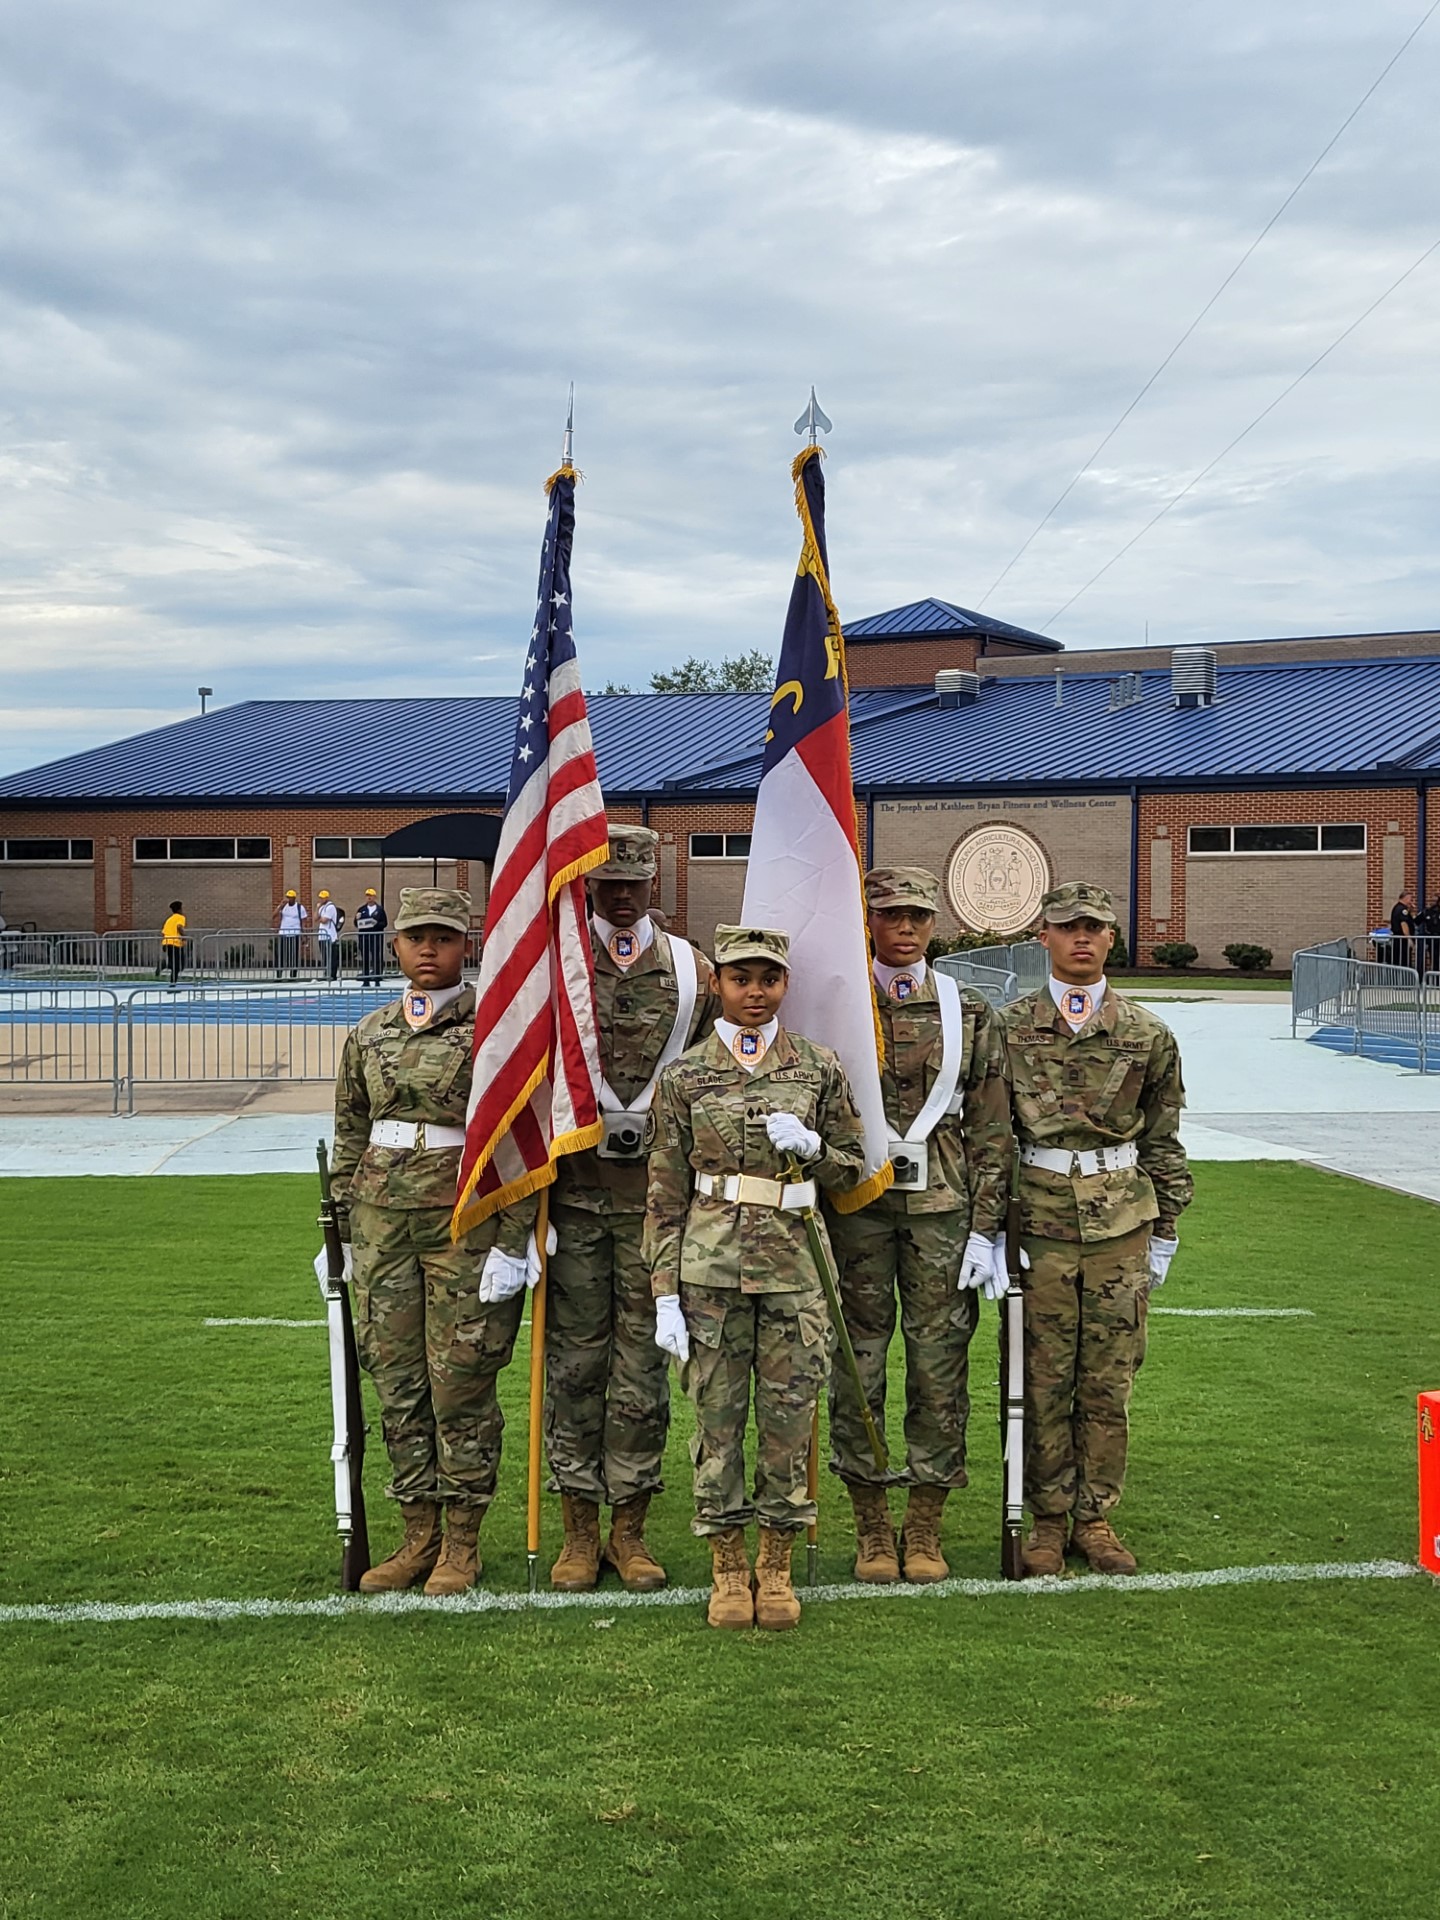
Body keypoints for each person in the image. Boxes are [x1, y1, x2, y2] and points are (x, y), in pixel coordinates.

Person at [646, 925, 867, 1631]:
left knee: (787, 1421)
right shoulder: (684, 1077)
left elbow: (854, 1167)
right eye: (741, 978)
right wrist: (664, 1294)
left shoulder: (818, 1067)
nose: (754, 992)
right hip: (709, 1270)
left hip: (795, 1268)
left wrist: (816, 1147)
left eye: (768, 979)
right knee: (717, 1423)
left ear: (784, 985)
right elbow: (663, 1193)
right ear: (718, 983)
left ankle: (775, 1566)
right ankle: (727, 1566)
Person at [325, 887, 538, 1594]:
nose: (427, 949)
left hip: (463, 1224)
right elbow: (352, 1132)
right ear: (395, 945)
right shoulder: (370, 1034)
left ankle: (463, 1543)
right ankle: (417, 1534)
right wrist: (341, 1228)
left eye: (442, 937)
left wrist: (514, 1240)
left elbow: (518, 1142)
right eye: (416, 936)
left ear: (465, 945)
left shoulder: (495, 1035)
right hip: (383, 1223)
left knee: (461, 1385)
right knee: (398, 1384)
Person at [544, 822, 720, 1592]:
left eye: (633, 883)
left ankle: (630, 1530)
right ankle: (579, 1532)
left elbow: (719, 1076)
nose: (619, 896)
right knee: (574, 1369)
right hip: (575, 1202)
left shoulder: (694, 970)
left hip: (660, 1206)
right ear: (585, 883)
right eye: (605, 884)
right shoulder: (554, 965)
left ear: (655, 882)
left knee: (644, 1374)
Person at [827, 868, 1014, 1583]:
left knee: (939, 1370)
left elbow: (995, 1131)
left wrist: (985, 1230)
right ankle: (872, 1524)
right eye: (889, 916)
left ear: (935, 924)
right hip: (858, 1210)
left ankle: (926, 1523)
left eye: (916, 917)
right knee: (857, 1365)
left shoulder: (969, 1012)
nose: (903, 929)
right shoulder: (840, 1006)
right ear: (868, 922)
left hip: (943, 1215)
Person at [1001, 881, 1192, 1578]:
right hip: (1040, 1221)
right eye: (1067, 927)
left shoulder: (1147, 1033)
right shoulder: (1008, 1027)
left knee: (1108, 1380)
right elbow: (992, 1135)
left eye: (1094, 928)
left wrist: (1166, 1227)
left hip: (1120, 1224)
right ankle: (1047, 1520)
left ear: (1112, 938)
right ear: (1043, 938)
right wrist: (990, 1229)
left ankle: (1095, 1516)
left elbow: (1165, 1139)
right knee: (1045, 1377)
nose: (1081, 938)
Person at [355, 888, 387, 987]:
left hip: (376, 937)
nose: (369, 897)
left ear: (374, 897)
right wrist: (357, 919)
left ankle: (377, 979)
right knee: (365, 958)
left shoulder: (380, 910)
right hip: (364, 937)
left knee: (376, 957)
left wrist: (376, 924)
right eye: (367, 895)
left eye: (371, 895)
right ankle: (366, 980)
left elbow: (384, 923)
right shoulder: (361, 910)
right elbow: (356, 924)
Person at [274, 889, 307, 977]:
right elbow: (274, 915)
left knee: (293, 954)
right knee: (280, 954)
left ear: (294, 898)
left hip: (294, 933)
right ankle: (279, 973)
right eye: (288, 897)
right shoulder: (283, 907)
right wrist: (280, 906)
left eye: (291, 898)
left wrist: (303, 934)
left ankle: (293, 974)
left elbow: (303, 921)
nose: (289, 899)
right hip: (283, 933)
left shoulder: (300, 907)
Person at [316, 889, 341, 982]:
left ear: (327, 898)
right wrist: (317, 909)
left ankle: (332, 974)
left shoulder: (330, 907)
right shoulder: (322, 907)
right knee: (324, 956)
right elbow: (315, 918)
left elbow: (324, 920)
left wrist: (320, 917)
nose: (321, 899)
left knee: (331, 956)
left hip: (330, 935)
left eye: (323, 898)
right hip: (322, 935)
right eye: (320, 898)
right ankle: (326, 973)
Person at [160, 900, 186, 989]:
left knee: (175, 964)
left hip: (167, 942)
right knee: (179, 965)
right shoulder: (180, 917)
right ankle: (172, 984)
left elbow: (164, 932)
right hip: (176, 943)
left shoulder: (169, 920)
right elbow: (179, 927)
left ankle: (166, 967)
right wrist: (185, 937)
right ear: (179, 909)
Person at [1390, 890, 1417, 970]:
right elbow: (1404, 924)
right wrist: (1408, 938)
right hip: (1402, 940)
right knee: (1403, 960)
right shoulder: (1402, 910)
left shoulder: (1398, 908)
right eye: (1410, 899)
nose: (1411, 901)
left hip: (1399, 939)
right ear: (1405, 898)